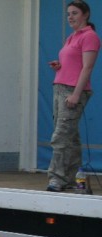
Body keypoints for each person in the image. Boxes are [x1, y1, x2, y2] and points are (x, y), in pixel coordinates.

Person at [46, 1, 100, 192]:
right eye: (68, 13)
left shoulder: (90, 36)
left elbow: (87, 67)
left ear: (85, 14)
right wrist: (59, 67)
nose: (70, 17)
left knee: (60, 136)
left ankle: (56, 178)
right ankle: (74, 177)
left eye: (75, 13)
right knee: (70, 136)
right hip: (59, 88)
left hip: (73, 90)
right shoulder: (72, 37)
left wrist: (76, 94)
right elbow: (73, 63)